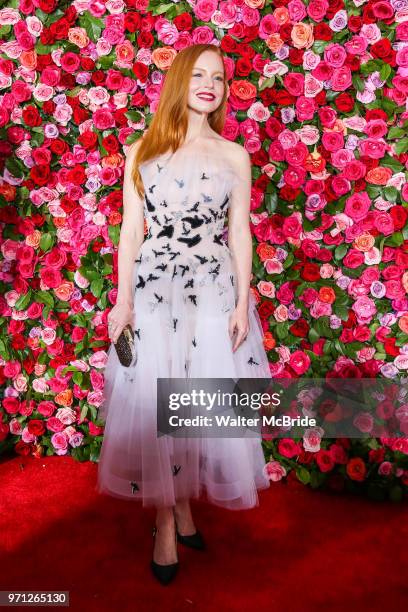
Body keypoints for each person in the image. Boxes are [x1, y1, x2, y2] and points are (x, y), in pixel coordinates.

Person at [96, 43, 272, 585]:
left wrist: (243, 300)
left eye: (218, 79)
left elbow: (240, 231)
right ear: (180, 80)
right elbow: (131, 230)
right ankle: (167, 522)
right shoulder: (142, 149)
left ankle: (184, 507)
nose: (209, 85)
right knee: (158, 397)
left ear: (224, 91)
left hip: (211, 288)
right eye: (198, 74)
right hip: (153, 289)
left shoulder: (234, 155)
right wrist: (123, 300)